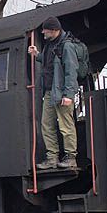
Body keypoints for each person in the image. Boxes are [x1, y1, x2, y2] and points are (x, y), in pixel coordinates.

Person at [28, 16, 78, 169]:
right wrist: (37, 55)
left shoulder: (67, 46)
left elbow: (71, 71)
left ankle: (70, 157)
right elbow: (49, 62)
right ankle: (52, 158)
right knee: (46, 124)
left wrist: (69, 95)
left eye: (46, 31)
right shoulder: (49, 45)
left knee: (66, 126)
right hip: (50, 92)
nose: (43, 34)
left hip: (62, 92)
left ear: (55, 31)